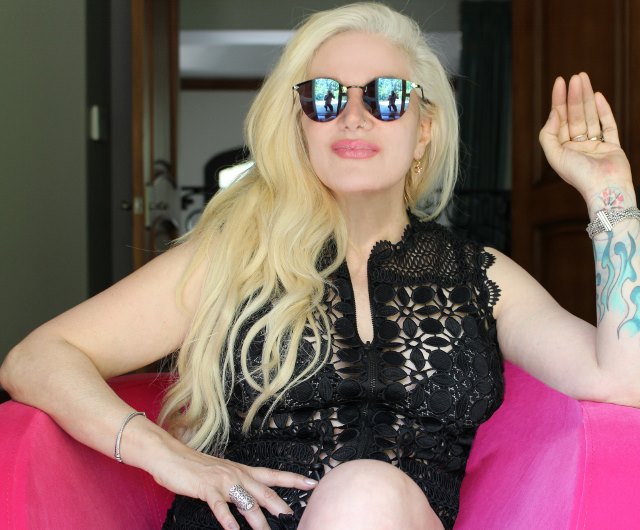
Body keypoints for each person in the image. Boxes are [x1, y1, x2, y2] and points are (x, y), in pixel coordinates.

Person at [1, 3, 639, 530]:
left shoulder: (483, 276)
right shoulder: (231, 259)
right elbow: (35, 358)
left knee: (367, 492)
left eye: (387, 95)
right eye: (325, 97)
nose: (354, 115)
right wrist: (165, 454)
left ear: (423, 129)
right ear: (302, 125)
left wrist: (609, 192)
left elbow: (623, 380)